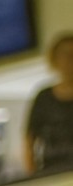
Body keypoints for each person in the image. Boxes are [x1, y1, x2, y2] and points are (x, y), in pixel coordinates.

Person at [27, 34, 73, 176]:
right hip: (53, 172)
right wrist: (33, 177)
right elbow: (29, 139)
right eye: (64, 55)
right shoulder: (44, 98)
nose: (69, 60)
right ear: (55, 60)